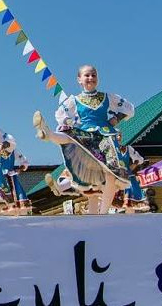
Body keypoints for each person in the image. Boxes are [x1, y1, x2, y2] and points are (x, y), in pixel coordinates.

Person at [33, 64, 135, 214]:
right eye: (87, 75)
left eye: (93, 75)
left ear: (97, 79)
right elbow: (61, 116)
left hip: (105, 137)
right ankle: (48, 134)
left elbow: (129, 108)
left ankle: (103, 213)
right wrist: (72, 124)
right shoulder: (74, 100)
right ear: (79, 80)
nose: (91, 78)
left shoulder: (108, 97)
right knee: (71, 136)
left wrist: (116, 118)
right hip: (85, 135)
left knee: (112, 174)